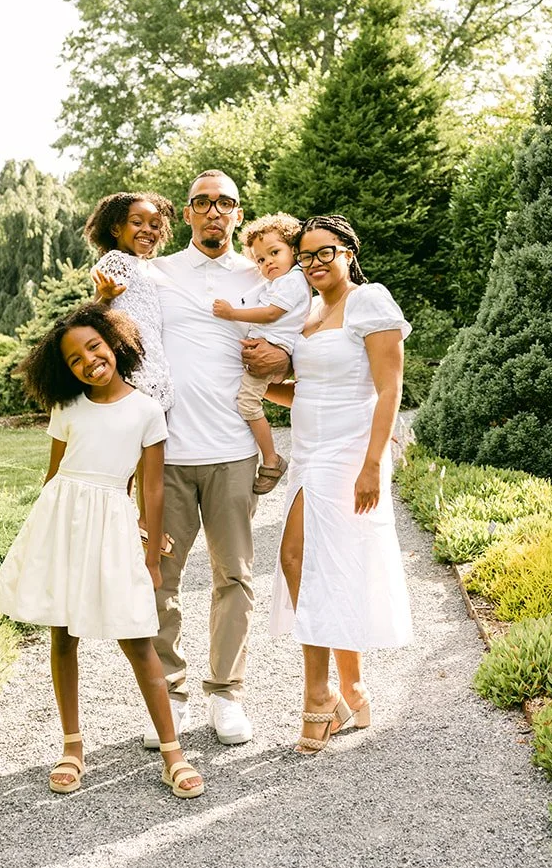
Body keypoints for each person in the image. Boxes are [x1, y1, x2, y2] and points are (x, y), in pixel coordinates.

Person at [0, 303, 203, 799]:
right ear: (65, 369)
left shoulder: (146, 410)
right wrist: (38, 537)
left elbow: (151, 490)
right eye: (74, 358)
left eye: (94, 347)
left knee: (138, 637)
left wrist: (150, 556)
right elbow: (54, 474)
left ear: (114, 345)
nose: (88, 360)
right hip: (62, 521)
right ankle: (72, 745)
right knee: (62, 635)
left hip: (111, 523)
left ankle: (173, 753)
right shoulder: (67, 409)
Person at [138, 170, 289, 747]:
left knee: (235, 576)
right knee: (160, 578)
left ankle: (226, 693)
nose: (213, 211)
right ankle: (169, 696)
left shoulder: (262, 275)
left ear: (237, 213)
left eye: (224, 202)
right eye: (202, 202)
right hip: (166, 454)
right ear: (188, 212)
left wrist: (278, 358)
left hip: (231, 452)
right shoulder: (157, 273)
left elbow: (293, 342)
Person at [266, 214, 413, 754]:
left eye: (325, 252)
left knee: (298, 557)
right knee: (327, 566)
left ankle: (319, 693)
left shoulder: (369, 300)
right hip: (307, 452)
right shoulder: (309, 310)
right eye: (305, 257)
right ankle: (353, 688)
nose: (314, 264)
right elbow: (305, 391)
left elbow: (389, 386)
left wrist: (373, 463)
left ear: (349, 252)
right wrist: (255, 388)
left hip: (351, 450)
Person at [211, 212, 310, 495]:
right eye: (261, 260)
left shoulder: (293, 280)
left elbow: (270, 313)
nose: (268, 263)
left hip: (274, 350)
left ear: (294, 250)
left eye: (274, 253)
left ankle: (271, 459)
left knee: (247, 404)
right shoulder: (279, 282)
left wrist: (231, 313)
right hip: (267, 348)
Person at [84, 192, 176, 410]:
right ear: (116, 229)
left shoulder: (144, 265)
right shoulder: (118, 261)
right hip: (132, 365)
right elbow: (91, 317)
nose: (147, 230)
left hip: (152, 359)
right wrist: (106, 295)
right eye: (137, 222)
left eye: (155, 225)